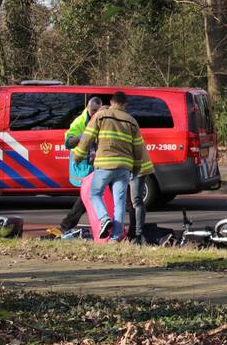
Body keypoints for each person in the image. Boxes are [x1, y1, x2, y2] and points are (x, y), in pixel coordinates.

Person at [71, 91, 154, 241]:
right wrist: (135, 169)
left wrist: (78, 157)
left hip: (105, 164)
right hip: (124, 167)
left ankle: (104, 219)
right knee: (120, 202)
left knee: (95, 194)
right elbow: (138, 148)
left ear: (111, 102)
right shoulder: (131, 121)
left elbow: (87, 137)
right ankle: (115, 237)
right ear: (125, 105)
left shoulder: (101, 116)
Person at [46, 97, 102, 238]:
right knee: (89, 195)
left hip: (99, 164)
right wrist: (81, 137)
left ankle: (69, 225)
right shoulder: (79, 122)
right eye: (93, 111)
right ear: (87, 107)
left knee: (92, 195)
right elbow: (68, 142)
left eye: (97, 111)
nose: (94, 114)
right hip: (86, 164)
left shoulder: (102, 119)